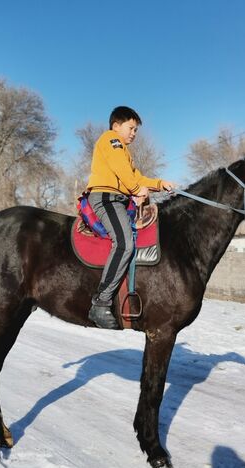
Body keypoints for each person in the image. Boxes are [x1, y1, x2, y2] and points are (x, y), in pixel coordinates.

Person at [86, 106, 174, 330]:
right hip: (106, 198)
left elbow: (135, 175)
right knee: (124, 243)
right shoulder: (111, 140)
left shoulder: (124, 151)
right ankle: (101, 302)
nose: (134, 133)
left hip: (118, 199)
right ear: (116, 125)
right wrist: (136, 189)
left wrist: (158, 184)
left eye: (136, 130)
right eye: (131, 127)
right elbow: (123, 173)